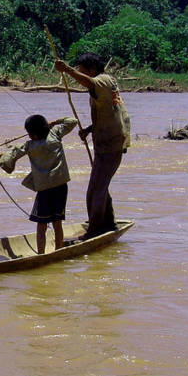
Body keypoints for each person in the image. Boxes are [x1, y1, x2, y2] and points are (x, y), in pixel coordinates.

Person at [55, 53, 131, 239]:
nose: (80, 74)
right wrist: (89, 129)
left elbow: (90, 83)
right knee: (101, 185)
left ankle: (96, 229)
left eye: (82, 71)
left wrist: (67, 70)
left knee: (95, 190)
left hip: (110, 145)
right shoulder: (108, 80)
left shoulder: (101, 80)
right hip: (109, 141)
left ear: (92, 70)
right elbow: (109, 111)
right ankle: (108, 222)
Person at [0, 114, 77, 252]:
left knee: (41, 224)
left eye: (29, 133)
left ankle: (41, 254)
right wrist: (55, 122)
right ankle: (58, 251)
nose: (29, 135)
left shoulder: (30, 146)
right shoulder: (55, 133)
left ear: (34, 134)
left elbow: (11, 154)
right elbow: (72, 121)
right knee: (57, 222)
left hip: (45, 190)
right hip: (61, 186)